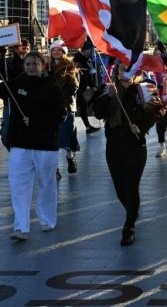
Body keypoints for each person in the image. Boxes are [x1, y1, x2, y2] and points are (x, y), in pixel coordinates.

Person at [93, 61, 162, 246]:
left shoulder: (144, 89)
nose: (125, 71)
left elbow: (155, 114)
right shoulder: (108, 88)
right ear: (116, 71)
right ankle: (133, 211)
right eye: (122, 68)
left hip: (135, 145)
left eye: (129, 68)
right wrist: (108, 96)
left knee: (131, 186)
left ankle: (129, 226)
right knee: (119, 188)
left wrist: (139, 126)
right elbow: (98, 114)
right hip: (114, 146)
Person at [0, 51, 66, 241]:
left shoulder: (52, 86)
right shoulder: (16, 84)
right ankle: (21, 227)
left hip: (45, 145)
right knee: (18, 185)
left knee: (47, 184)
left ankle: (47, 220)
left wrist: (37, 121)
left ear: (42, 65)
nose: (31, 67)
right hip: (20, 144)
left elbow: (61, 114)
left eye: (35, 63)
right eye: (28, 63)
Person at [48, 40, 80, 175]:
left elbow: (74, 86)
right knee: (51, 138)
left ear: (63, 52)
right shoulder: (46, 66)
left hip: (66, 106)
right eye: (53, 50)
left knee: (67, 135)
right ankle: (54, 168)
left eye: (59, 50)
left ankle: (70, 156)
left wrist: (60, 94)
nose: (56, 52)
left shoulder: (70, 66)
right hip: (50, 108)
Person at [0, 38, 31, 148]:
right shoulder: (9, 63)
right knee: (6, 136)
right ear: (16, 49)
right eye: (23, 48)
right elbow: (4, 76)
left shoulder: (32, 63)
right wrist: (1, 57)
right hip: (11, 104)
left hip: (28, 105)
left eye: (28, 48)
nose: (25, 50)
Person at [152, 46, 167, 157]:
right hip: (158, 101)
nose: (158, 57)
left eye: (160, 54)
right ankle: (161, 146)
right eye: (156, 55)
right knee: (160, 125)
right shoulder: (152, 70)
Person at [72, 39, 101, 134]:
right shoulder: (78, 60)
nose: (90, 52)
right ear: (84, 50)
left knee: (84, 105)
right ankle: (88, 127)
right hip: (77, 88)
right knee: (83, 105)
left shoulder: (87, 60)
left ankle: (88, 126)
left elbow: (88, 74)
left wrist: (92, 85)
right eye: (89, 50)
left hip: (83, 87)